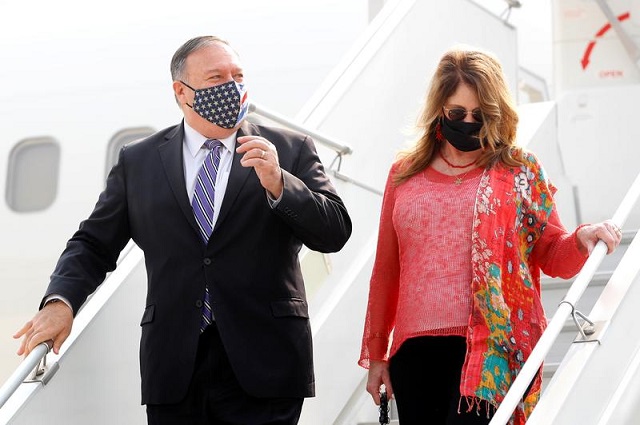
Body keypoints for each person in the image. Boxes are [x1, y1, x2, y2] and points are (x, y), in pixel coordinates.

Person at [14, 35, 352, 425]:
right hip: (175, 368)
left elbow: (335, 231)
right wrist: (60, 302)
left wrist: (280, 183)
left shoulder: (289, 149)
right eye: (216, 78)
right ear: (182, 91)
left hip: (267, 363)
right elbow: (93, 244)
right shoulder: (139, 162)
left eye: (238, 76)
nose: (232, 87)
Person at [358, 47, 622, 425]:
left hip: (490, 348)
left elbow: (551, 252)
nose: (467, 122)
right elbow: (386, 269)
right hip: (414, 353)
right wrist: (378, 354)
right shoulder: (404, 174)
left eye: (479, 115)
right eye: (456, 113)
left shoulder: (519, 170)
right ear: (439, 109)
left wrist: (582, 237)